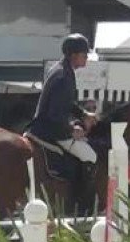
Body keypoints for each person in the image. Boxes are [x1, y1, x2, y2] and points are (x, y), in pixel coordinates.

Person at [26, 33, 98, 209]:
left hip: (46, 125)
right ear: (74, 55)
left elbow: (65, 104)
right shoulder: (63, 76)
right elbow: (55, 116)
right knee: (91, 156)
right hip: (50, 130)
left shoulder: (61, 70)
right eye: (84, 54)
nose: (86, 57)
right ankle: (81, 204)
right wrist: (71, 130)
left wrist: (83, 115)